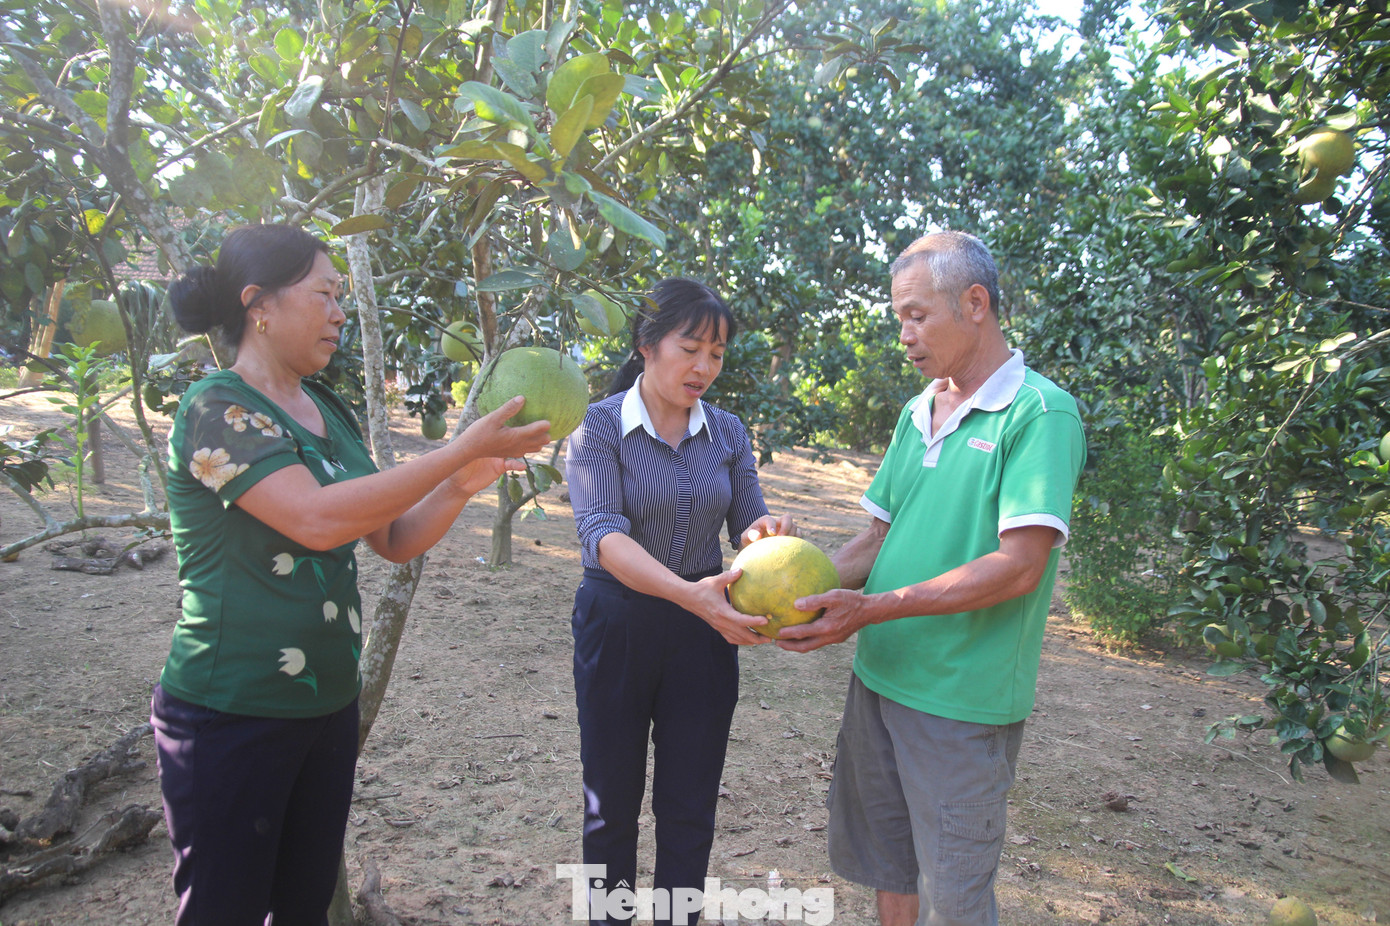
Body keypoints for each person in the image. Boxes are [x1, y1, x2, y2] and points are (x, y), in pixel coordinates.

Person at [151, 223, 552, 926]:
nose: (339, 312)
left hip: (323, 707)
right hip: (231, 712)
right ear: (258, 305)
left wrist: (464, 482)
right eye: (324, 295)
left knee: (302, 907)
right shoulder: (218, 407)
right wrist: (455, 452)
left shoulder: (327, 409)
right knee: (224, 909)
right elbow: (313, 519)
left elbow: (390, 538)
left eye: (341, 296)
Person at [778, 231, 1086, 926]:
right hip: (879, 680)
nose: (905, 335)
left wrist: (876, 607)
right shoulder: (918, 412)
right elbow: (878, 539)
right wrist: (791, 584)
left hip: (959, 703)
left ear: (975, 303)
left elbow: (1020, 566)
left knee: (956, 895)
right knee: (888, 869)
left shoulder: (1038, 414)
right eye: (899, 319)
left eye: (917, 316)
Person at [565, 278, 796, 924]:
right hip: (618, 623)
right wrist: (687, 594)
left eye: (716, 355)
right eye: (690, 348)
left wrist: (764, 536)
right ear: (646, 345)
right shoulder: (597, 427)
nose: (704, 368)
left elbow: (748, 518)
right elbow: (602, 535)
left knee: (689, 806)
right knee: (609, 804)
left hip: (704, 634)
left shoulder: (726, 432)